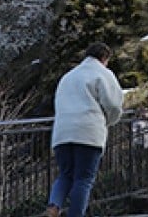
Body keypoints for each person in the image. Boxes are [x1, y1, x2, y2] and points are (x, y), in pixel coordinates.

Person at [46, 42, 125, 217]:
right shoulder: (103, 74)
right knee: (84, 179)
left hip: (62, 133)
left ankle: (54, 205)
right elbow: (113, 104)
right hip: (88, 132)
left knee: (65, 175)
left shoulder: (68, 76)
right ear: (105, 58)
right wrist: (109, 121)